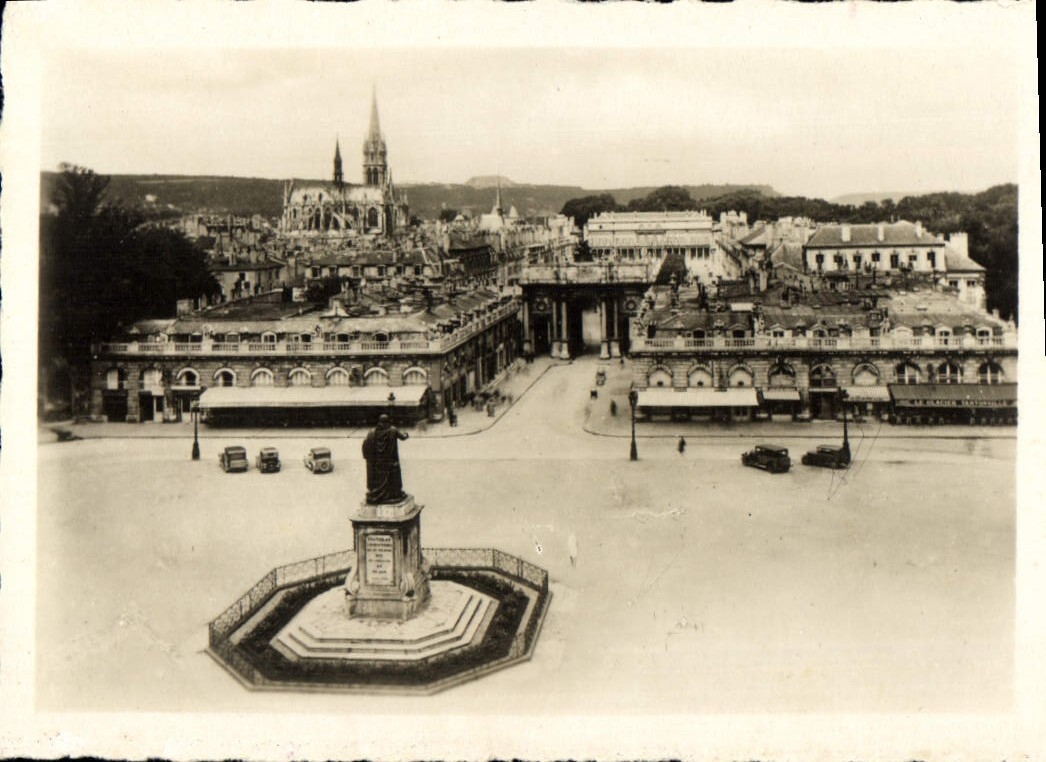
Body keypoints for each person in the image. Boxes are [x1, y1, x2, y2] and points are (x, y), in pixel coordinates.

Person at [361, 414, 410, 504]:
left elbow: (366, 446)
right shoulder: (393, 430)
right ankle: (393, 494)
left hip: (377, 463)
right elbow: (403, 437)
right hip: (390, 462)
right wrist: (407, 434)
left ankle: (379, 494)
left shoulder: (372, 432)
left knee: (379, 478)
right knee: (392, 477)